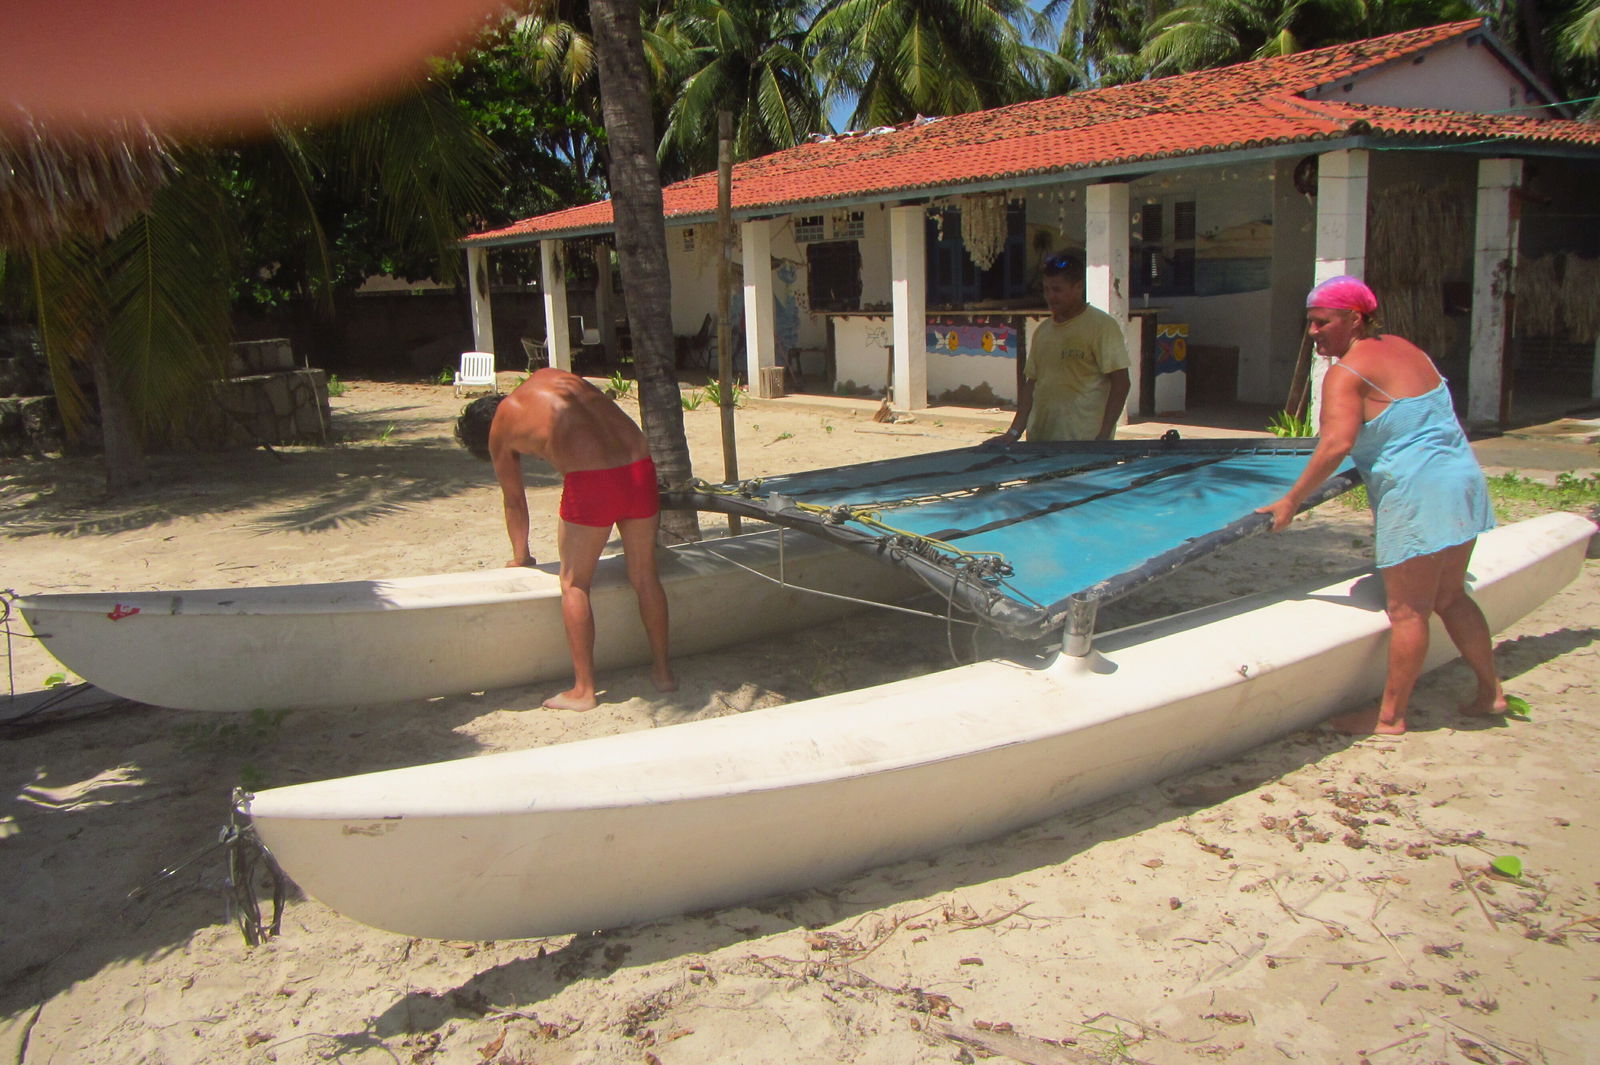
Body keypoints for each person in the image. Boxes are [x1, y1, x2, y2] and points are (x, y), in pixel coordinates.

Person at [1257, 276, 1500, 735]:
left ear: (1354, 319)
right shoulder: (1409, 349)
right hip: (1461, 480)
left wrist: (1291, 500)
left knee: (1408, 611)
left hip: (1418, 492)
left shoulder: (1345, 373)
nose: (1313, 332)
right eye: (1309, 323)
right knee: (1449, 596)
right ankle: (1491, 692)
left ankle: (1390, 718)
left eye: (1321, 322)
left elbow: (1335, 444)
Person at [456, 368, 675, 711]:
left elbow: (514, 501)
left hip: (593, 483)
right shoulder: (551, 377)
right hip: (640, 467)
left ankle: (583, 690)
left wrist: (521, 556)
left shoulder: (502, 424)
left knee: (574, 583)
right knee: (645, 576)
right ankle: (663, 674)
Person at [987, 249, 1131, 445]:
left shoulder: (1101, 326)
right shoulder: (1043, 331)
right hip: (1039, 440)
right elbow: (1032, 384)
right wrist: (1014, 432)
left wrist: (1104, 436)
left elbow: (1121, 383)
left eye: (1057, 290)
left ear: (1078, 287)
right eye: (1046, 289)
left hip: (1083, 444)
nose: (1050, 296)